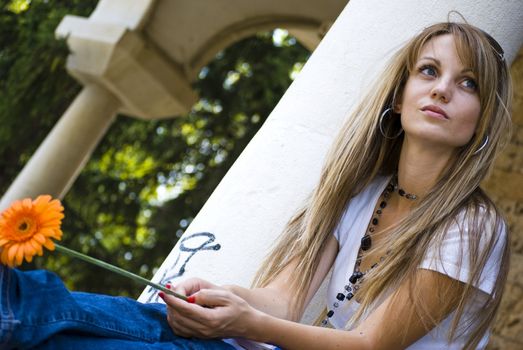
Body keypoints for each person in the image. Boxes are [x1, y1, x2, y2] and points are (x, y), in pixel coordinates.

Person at [0, 21, 512, 350]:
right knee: (162, 328)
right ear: (398, 98)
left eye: (468, 83)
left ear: (482, 119)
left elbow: (370, 346)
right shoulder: (361, 194)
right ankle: (14, 309)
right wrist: (221, 297)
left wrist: (241, 323)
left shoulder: (471, 227)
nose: (443, 88)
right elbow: (284, 302)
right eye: (429, 70)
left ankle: (14, 310)